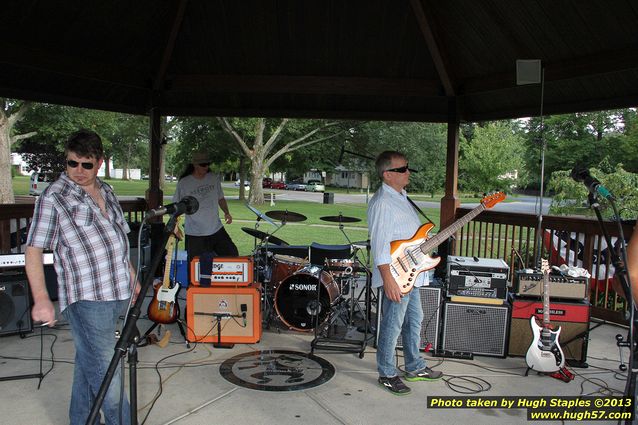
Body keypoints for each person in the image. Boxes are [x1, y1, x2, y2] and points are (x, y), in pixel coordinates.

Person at [25, 129, 140, 425]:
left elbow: (118, 239)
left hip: (118, 292)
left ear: (99, 162)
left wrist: (132, 276)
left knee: (89, 364)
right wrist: (40, 299)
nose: (77, 171)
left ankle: (81, 421)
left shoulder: (107, 190)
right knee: (108, 377)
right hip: (87, 300)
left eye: (85, 164)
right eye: (71, 163)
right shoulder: (54, 196)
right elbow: (34, 249)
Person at [367, 150, 442, 395]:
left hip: (413, 273)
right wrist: (388, 279)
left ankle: (414, 366)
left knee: (414, 320)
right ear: (388, 175)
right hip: (396, 277)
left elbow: (406, 237)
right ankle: (387, 373)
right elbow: (379, 244)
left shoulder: (402, 197)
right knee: (393, 324)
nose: (408, 172)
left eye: (407, 167)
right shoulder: (383, 203)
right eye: (402, 169)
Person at [173, 151, 238, 268]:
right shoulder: (184, 183)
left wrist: (227, 213)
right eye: (203, 165)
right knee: (194, 266)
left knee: (232, 254)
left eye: (208, 164)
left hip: (216, 229)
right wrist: (175, 225)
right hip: (194, 233)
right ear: (195, 165)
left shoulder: (213, 178)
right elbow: (176, 207)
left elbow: (221, 198)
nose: (206, 167)